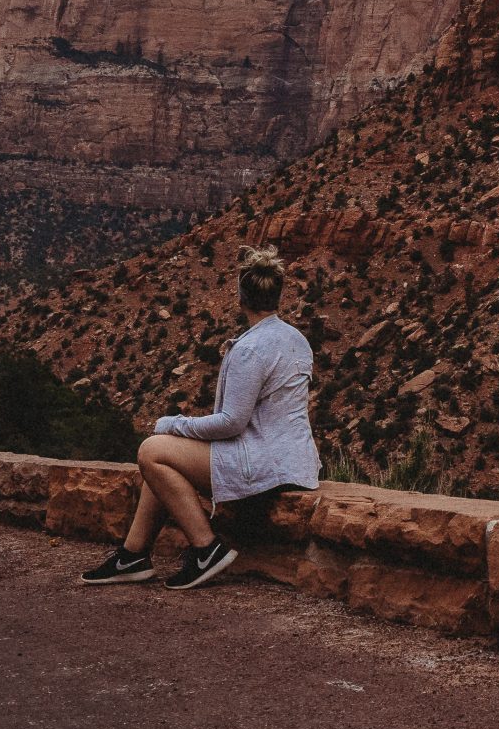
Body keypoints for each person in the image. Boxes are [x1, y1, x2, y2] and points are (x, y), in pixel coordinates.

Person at [80, 246, 320, 590]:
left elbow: (232, 423)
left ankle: (206, 549)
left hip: (263, 464)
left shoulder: (250, 349)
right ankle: (132, 556)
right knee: (162, 462)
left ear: (241, 297)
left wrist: (174, 424)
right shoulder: (297, 339)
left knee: (152, 449)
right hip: (295, 462)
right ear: (276, 295)